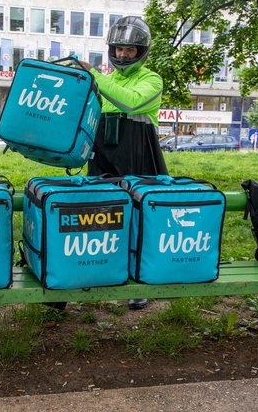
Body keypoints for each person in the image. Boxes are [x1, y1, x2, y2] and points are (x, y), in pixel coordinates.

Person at [79, 16, 167, 310]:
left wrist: (96, 77)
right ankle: (94, 270)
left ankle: (139, 281)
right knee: (98, 213)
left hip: (137, 155)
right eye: (118, 49)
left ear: (141, 51)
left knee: (137, 218)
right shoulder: (108, 79)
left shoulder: (151, 79)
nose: (122, 55)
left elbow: (130, 102)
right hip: (104, 154)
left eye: (129, 50)